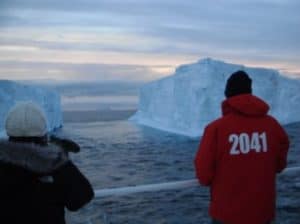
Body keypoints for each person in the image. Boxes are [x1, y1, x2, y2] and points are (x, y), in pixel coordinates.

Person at [194, 71, 289, 224]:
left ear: (228, 94)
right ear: (250, 93)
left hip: (226, 214)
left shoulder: (216, 129)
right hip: (262, 212)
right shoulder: (272, 125)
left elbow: (204, 176)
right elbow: (279, 164)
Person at [0, 102, 94, 224]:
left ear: (8, 130)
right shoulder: (54, 163)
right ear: (43, 131)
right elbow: (81, 198)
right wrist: (61, 157)